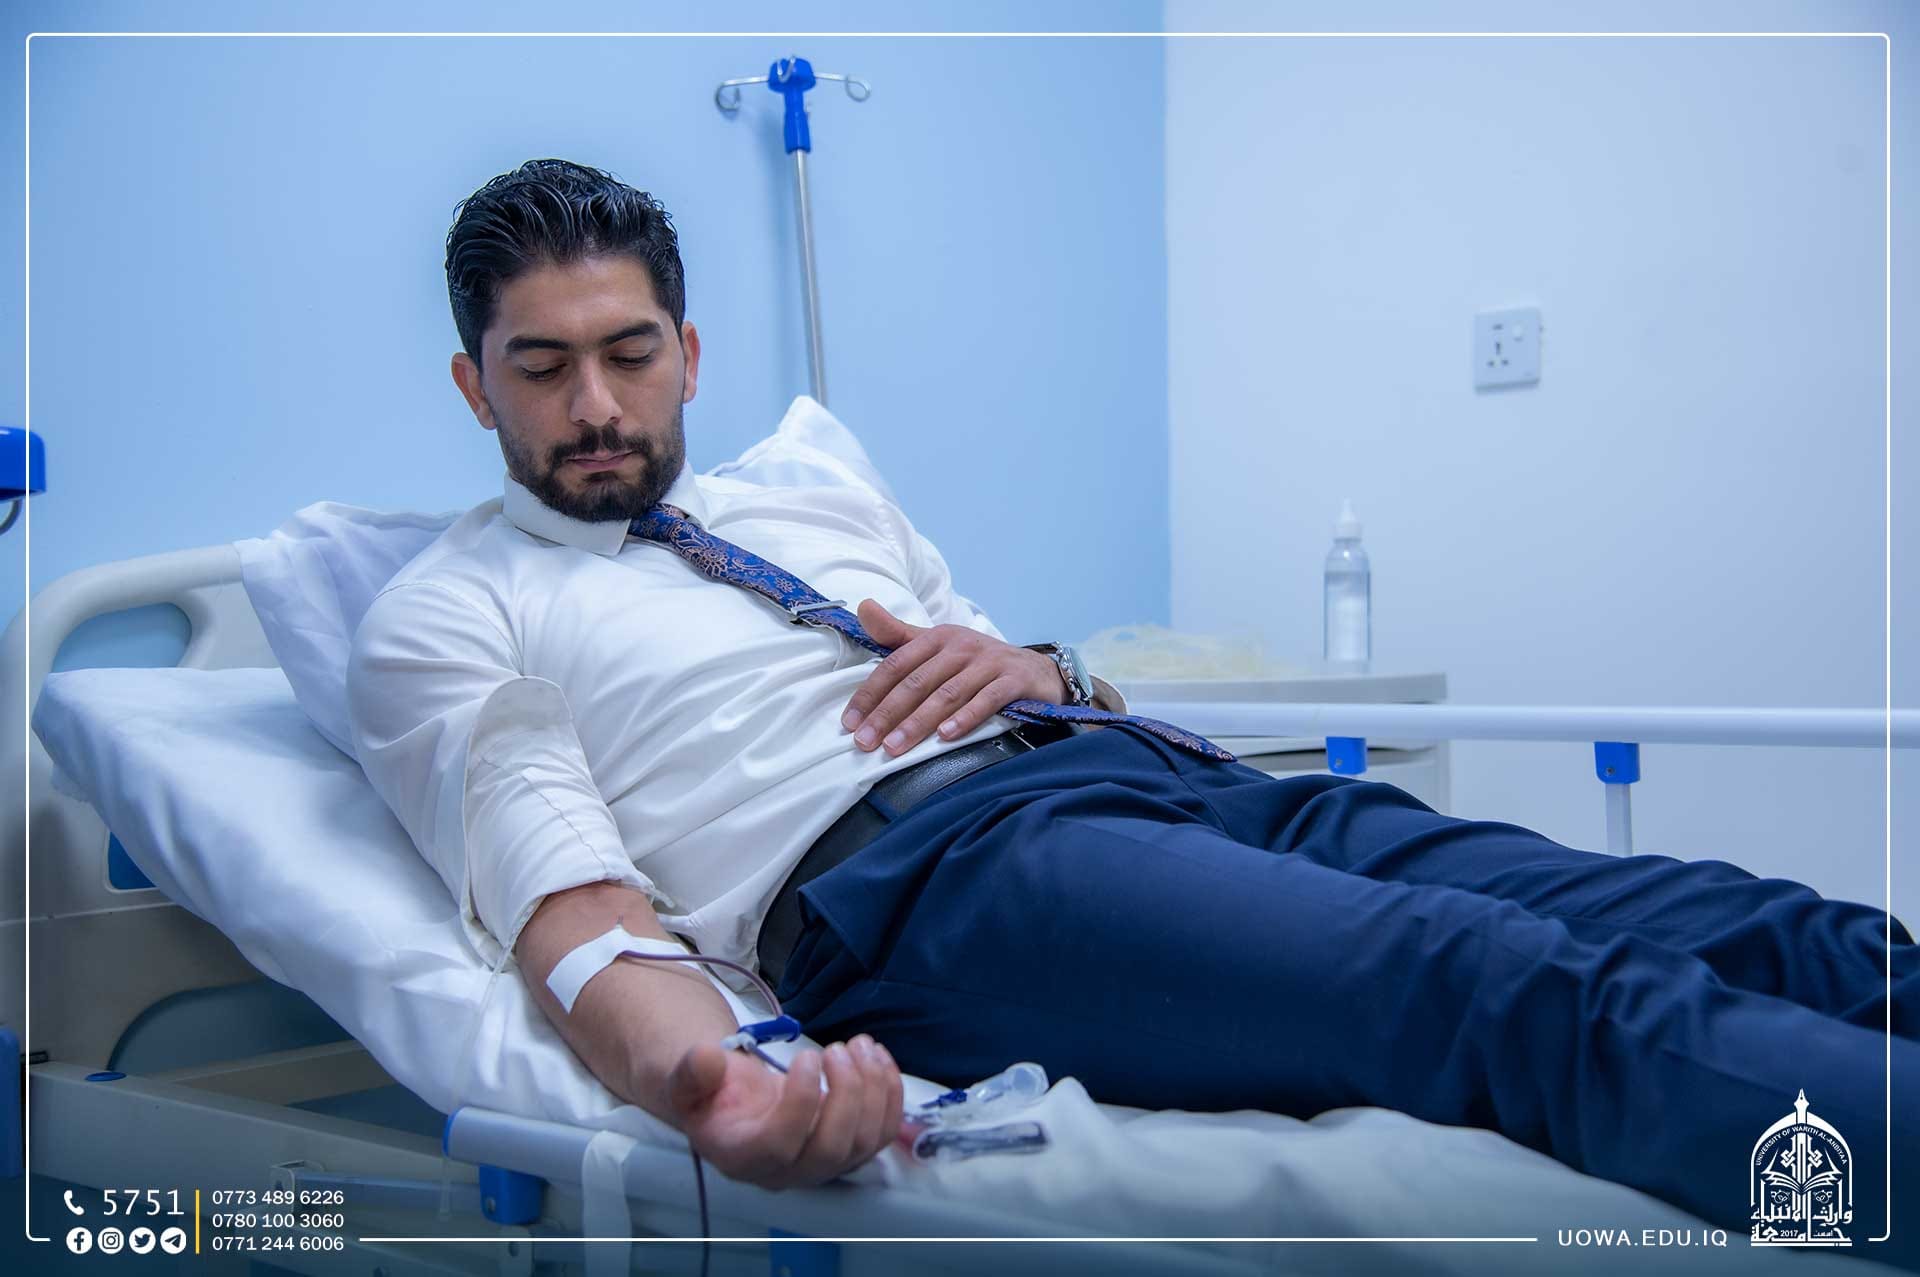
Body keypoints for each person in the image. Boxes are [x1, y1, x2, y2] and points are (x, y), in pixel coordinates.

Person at [347, 159, 1917, 1257]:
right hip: (938, 884)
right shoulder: (450, 611)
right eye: (541, 368)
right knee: (1500, 984)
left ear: (688, 354)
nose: (597, 406)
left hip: (1147, 772)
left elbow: (1017, 666)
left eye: (628, 354)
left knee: (1724, 915)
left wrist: (1050, 672)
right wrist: (718, 1088)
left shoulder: (813, 490)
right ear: (475, 385)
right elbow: (579, 916)